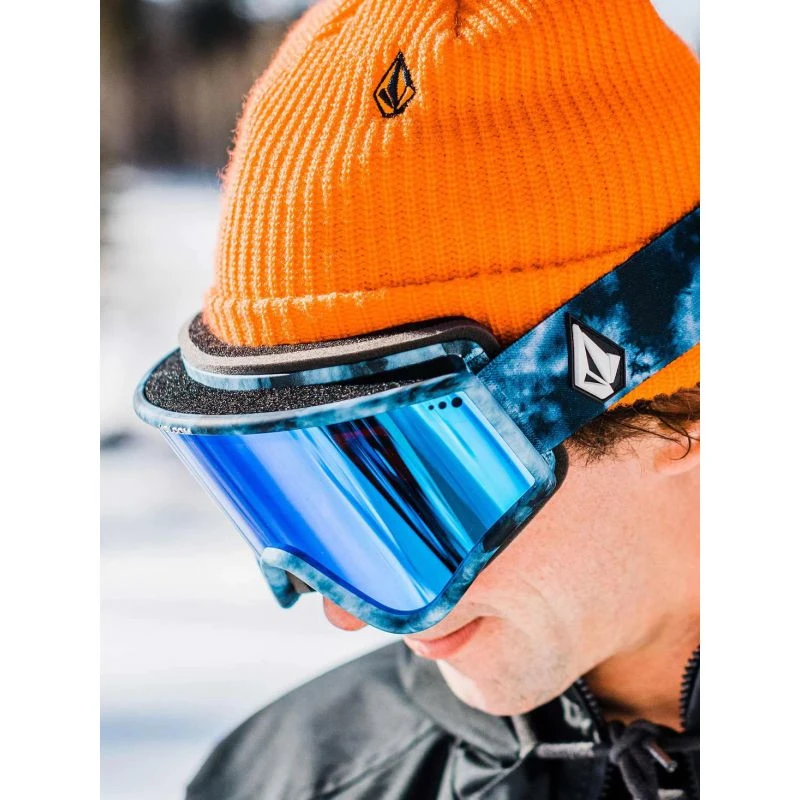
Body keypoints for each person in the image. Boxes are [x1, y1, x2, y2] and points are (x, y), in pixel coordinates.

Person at [134, 0, 700, 797]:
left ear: (684, 409)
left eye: (418, 493)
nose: (348, 610)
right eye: (288, 492)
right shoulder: (288, 781)